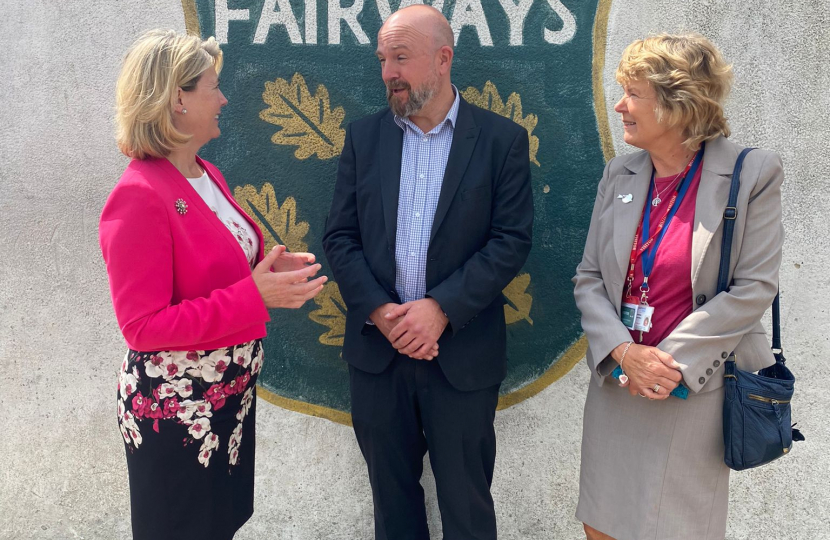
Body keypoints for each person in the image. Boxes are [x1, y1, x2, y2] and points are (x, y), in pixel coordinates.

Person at [100, 29, 326, 540]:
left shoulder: (207, 174)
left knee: (218, 526)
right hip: (178, 416)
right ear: (177, 98)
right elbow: (142, 326)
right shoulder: (139, 194)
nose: (224, 98)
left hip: (226, 401)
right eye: (212, 86)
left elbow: (212, 269)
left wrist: (268, 271)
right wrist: (255, 295)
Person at [322, 5, 533, 539]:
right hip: (378, 356)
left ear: (443, 59)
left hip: (460, 357)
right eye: (382, 59)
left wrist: (440, 309)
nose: (388, 71)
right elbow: (339, 237)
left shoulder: (500, 141)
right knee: (392, 510)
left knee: (466, 507)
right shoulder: (363, 138)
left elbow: (510, 241)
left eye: (400, 57)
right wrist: (380, 311)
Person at [572, 33, 784, 540]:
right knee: (602, 525)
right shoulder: (619, 172)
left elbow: (754, 288)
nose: (620, 106)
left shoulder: (750, 173)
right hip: (618, 386)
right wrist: (625, 353)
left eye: (633, 94)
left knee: (676, 529)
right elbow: (589, 278)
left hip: (690, 390)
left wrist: (664, 365)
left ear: (678, 102)